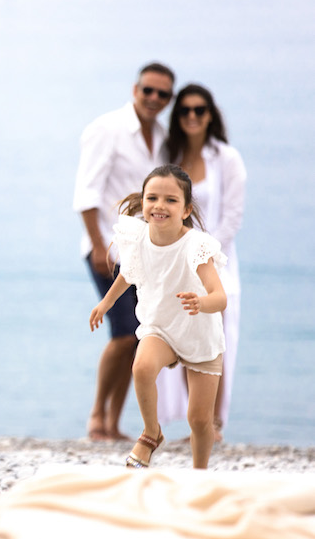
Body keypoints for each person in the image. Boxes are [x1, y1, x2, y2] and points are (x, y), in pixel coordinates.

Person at [90, 164, 227, 469]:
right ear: (143, 201)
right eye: (152, 198)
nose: (159, 206)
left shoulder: (196, 245)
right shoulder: (138, 238)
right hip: (160, 328)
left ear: (186, 208)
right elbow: (128, 272)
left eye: (171, 200)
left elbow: (220, 297)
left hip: (199, 333)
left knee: (200, 420)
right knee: (141, 367)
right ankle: (152, 433)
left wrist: (200, 303)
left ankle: (199, 474)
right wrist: (106, 303)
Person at [72, 62, 175, 441]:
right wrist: (99, 245)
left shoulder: (164, 137)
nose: (153, 98)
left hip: (148, 253)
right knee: (123, 333)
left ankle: (113, 422)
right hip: (109, 249)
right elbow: (86, 193)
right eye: (148, 90)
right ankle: (97, 416)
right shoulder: (107, 129)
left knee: (139, 335)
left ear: (168, 99)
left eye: (162, 94)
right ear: (136, 89)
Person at [156, 84, 247, 441]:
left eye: (199, 110)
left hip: (215, 265)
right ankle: (197, 423)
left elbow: (233, 216)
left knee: (216, 343)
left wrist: (203, 254)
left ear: (210, 115)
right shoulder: (170, 154)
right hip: (175, 262)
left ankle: (213, 425)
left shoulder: (227, 158)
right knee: (182, 342)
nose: (192, 116)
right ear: (177, 117)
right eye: (185, 111)